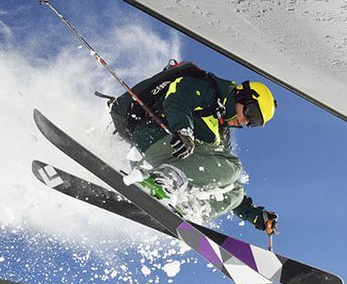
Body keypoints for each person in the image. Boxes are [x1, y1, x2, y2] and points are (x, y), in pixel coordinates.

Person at [108, 60, 279, 234]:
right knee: (234, 167)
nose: (245, 121)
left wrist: (255, 215)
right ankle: (165, 180)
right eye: (251, 113)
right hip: (155, 132)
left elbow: (221, 177)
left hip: (173, 158)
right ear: (243, 96)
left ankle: (188, 208)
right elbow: (177, 96)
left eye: (253, 123)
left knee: (235, 191)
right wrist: (183, 129)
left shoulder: (221, 132)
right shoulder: (211, 91)